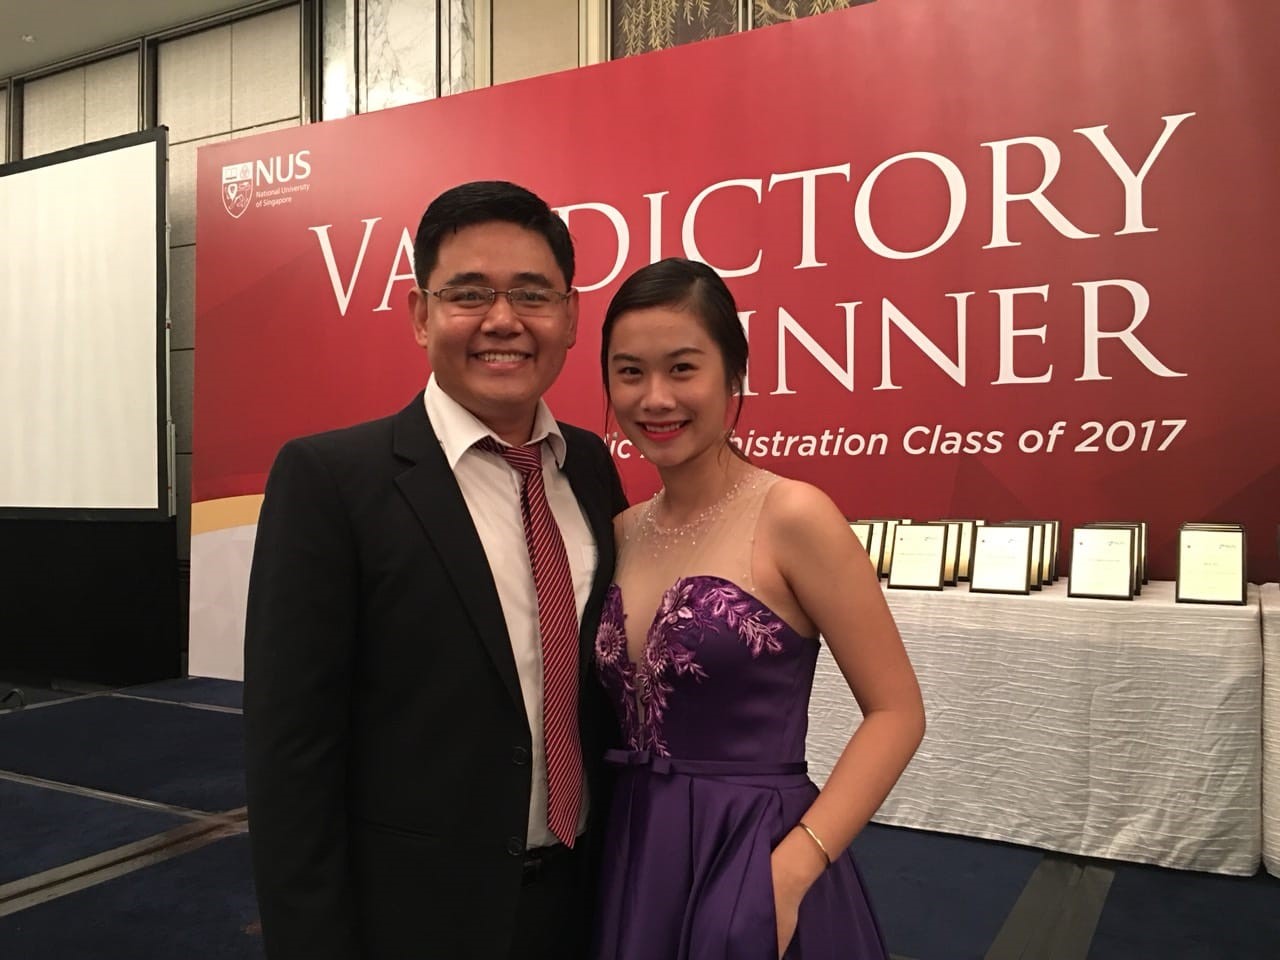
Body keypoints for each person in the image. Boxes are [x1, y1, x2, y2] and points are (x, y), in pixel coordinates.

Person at [243, 180, 626, 960]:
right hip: (416, 917)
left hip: (585, 897)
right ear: (421, 315)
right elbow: (291, 754)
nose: (503, 321)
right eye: (469, 294)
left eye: (532, 294)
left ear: (571, 315)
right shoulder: (332, 480)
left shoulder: (587, 464)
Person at [592, 258, 925, 959]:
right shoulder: (622, 530)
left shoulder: (794, 515)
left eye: (683, 368)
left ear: (732, 376)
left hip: (754, 850)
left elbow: (897, 712)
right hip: (634, 850)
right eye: (630, 372)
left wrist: (792, 870)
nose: (655, 398)